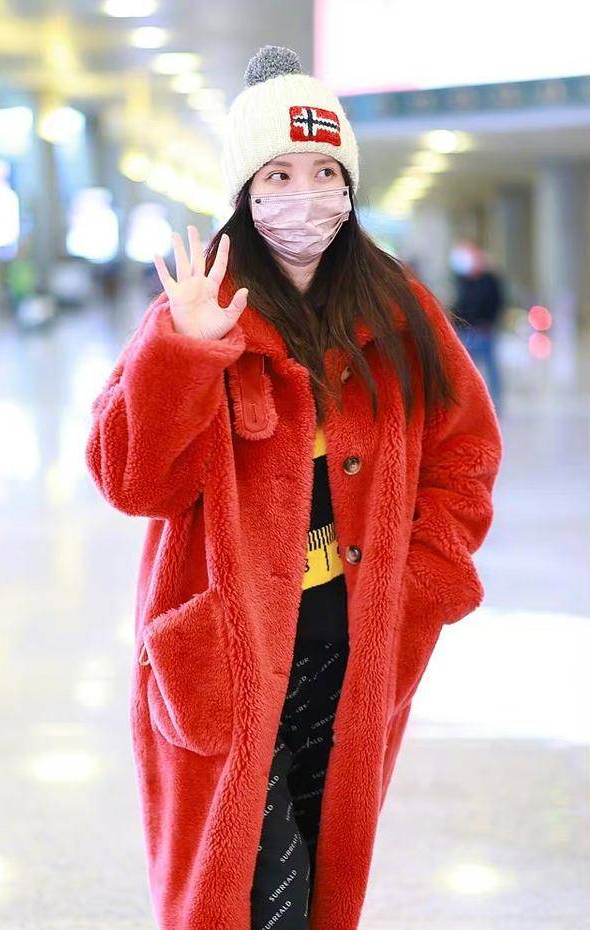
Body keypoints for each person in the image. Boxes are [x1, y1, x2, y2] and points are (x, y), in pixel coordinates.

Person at [85, 45, 503, 930]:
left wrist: (424, 582)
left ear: (349, 187)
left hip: (355, 653)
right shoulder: (199, 305)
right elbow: (131, 480)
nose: (305, 195)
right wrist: (184, 352)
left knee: (317, 885)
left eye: (324, 173)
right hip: (225, 660)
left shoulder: (399, 312)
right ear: (246, 192)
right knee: (244, 892)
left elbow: (465, 453)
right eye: (278, 174)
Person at [449, 240, 505, 415]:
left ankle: (495, 403)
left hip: (484, 330)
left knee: (491, 368)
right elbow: (461, 304)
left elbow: (497, 302)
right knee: (467, 369)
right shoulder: (463, 280)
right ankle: (468, 405)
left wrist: (489, 322)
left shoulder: (489, 280)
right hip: (466, 330)